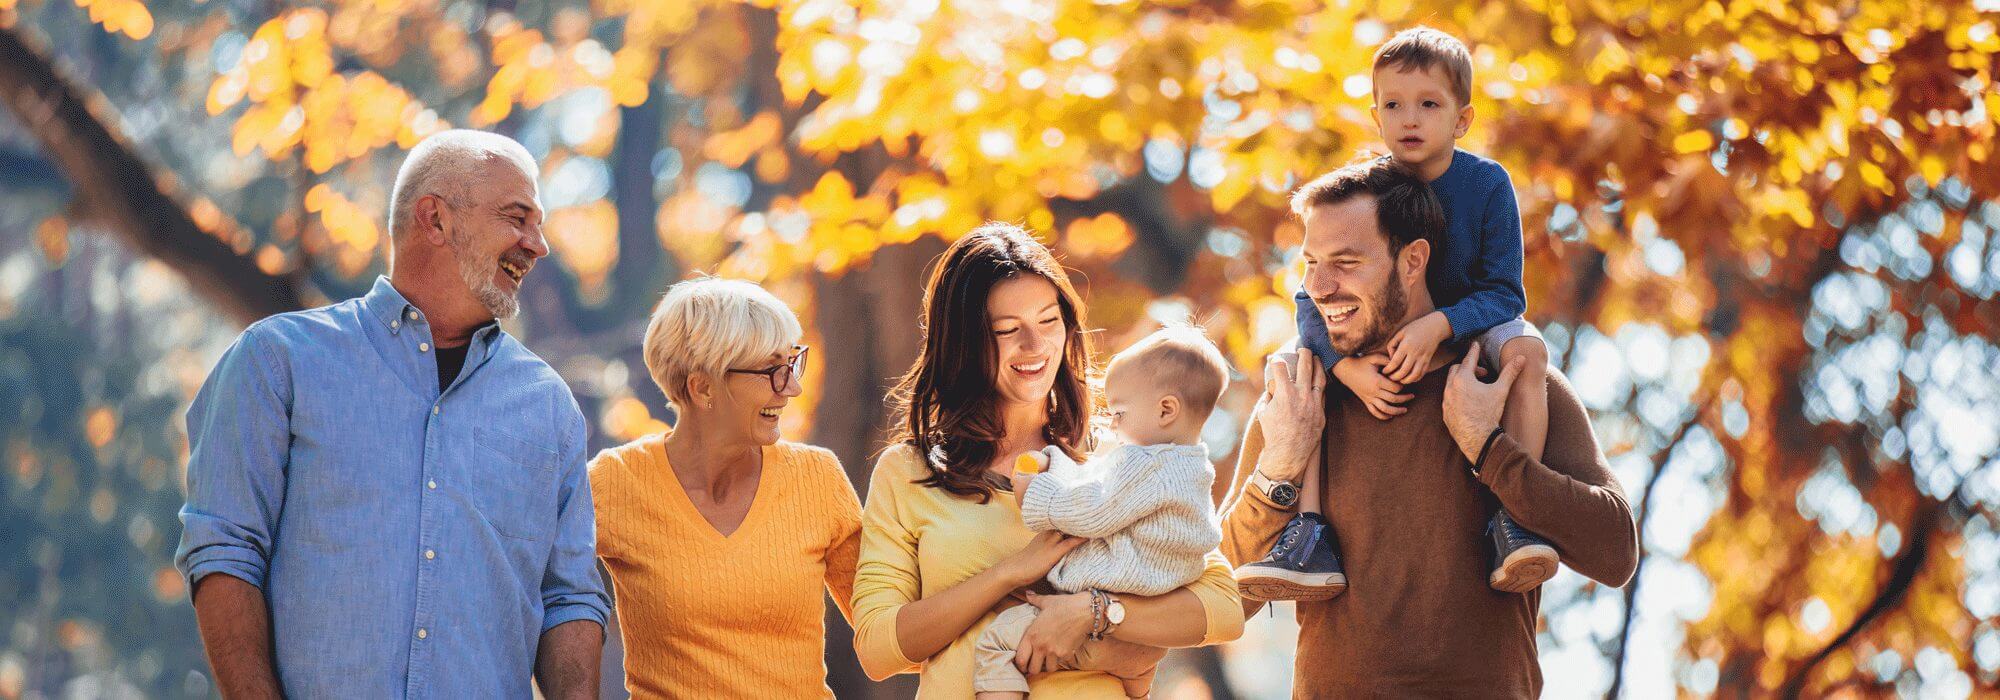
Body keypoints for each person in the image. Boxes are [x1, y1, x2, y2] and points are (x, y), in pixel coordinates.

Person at [174, 129, 608, 698]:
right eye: (517, 217)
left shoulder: (548, 406)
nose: (538, 244)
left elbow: (569, 597)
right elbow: (225, 552)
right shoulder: (277, 361)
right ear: (435, 220)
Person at [1220, 158, 1637, 696]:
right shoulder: (1301, 401)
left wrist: (1490, 450)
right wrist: (1280, 466)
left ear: (1413, 259)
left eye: (1346, 262)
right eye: (1311, 264)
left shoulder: (1510, 386)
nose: (1320, 288)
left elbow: (1616, 552)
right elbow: (1223, 598)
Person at [850, 223, 1245, 698]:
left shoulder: (1124, 455)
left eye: (1048, 321)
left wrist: (1093, 612)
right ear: (962, 343)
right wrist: (1010, 573)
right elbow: (877, 648)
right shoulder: (909, 471)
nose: (1035, 347)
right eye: (1006, 330)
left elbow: (1222, 608)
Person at [1239, 25, 1561, 600]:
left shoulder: (1487, 185)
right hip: (1368, 338)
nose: (1409, 119)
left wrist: (1439, 324)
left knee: (1527, 352)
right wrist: (1341, 366)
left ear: (1462, 119)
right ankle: (1309, 534)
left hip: (1471, 328)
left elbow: (1506, 294)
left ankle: (1513, 515)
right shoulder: (1369, 188)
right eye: (1394, 105)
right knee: (1297, 369)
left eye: (1429, 105)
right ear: (1376, 115)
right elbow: (1312, 294)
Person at [589, 276, 862, 698]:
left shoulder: (817, 479)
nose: (792, 387)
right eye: (771, 370)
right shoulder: (614, 483)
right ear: (702, 387)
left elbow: (891, 634)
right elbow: (530, 595)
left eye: (791, 363)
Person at [974, 326, 1231, 700]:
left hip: (1106, 601)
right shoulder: (1192, 468)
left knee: (996, 642)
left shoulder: (1142, 462)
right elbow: (1099, 485)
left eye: (1120, 413)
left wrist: (1037, 494)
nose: (1112, 425)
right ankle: (1135, 679)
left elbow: (1094, 510)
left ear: (1166, 410)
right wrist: (1059, 464)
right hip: (1146, 617)